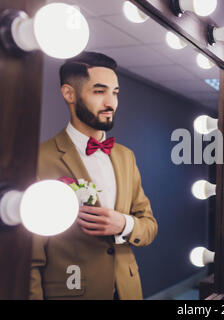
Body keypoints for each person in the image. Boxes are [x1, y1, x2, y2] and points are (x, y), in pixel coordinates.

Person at [29, 51, 158, 299]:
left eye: (115, 92)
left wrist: (124, 223)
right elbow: (29, 256)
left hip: (128, 291)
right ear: (69, 93)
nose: (112, 103)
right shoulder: (39, 158)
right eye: (99, 91)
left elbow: (149, 225)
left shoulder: (126, 156)